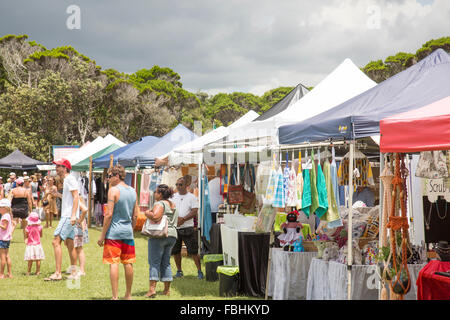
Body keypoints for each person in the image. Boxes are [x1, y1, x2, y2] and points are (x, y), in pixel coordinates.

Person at [98, 164, 138, 300]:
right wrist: (130, 229)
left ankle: (114, 297)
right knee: (128, 263)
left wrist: (102, 235)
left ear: (116, 176)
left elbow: (108, 215)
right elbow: (135, 216)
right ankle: (128, 295)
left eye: (109, 176)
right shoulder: (133, 191)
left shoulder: (113, 190)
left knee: (114, 263)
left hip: (114, 233)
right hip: (127, 232)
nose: (107, 179)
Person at [44, 158, 79, 281]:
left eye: (58, 166)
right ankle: (74, 272)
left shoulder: (70, 179)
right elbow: (69, 197)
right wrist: (57, 195)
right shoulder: (67, 180)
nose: (56, 168)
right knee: (69, 244)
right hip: (70, 215)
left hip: (68, 216)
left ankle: (58, 273)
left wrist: (73, 215)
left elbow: (76, 197)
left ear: (65, 168)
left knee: (55, 241)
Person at [144, 184, 178, 298]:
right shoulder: (172, 204)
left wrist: (147, 213)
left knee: (154, 262)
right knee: (166, 262)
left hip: (160, 235)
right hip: (172, 235)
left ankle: (152, 290)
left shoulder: (159, 203)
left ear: (160, 194)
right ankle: (166, 290)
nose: (154, 194)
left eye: (156, 192)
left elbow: (155, 216)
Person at [171, 177, 203, 279]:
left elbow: (194, 211)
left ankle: (199, 271)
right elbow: (170, 209)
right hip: (176, 227)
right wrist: (176, 219)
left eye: (180, 185)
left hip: (187, 228)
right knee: (176, 251)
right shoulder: (173, 197)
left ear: (186, 186)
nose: (178, 187)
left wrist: (183, 219)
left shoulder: (192, 197)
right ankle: (179, 271)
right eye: (177, 184)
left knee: (193, 251)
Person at [73, 196, 89, 277]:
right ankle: (78, 269)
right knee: (77, 249)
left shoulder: (77, 200)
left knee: (79, 249)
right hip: (77, 229)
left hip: (78, 229)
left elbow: (82, 214)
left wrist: (80, 223)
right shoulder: (78, 199)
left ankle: (82, 270)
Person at [0, 199, 15, 279]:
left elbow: (4, 227)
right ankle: (9, 273)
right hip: (7, 239)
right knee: (7, 256)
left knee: (2, 257)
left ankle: (1, 274)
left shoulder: (4, 217)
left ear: (5, 208)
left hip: (2, 239)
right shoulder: (8, 215)